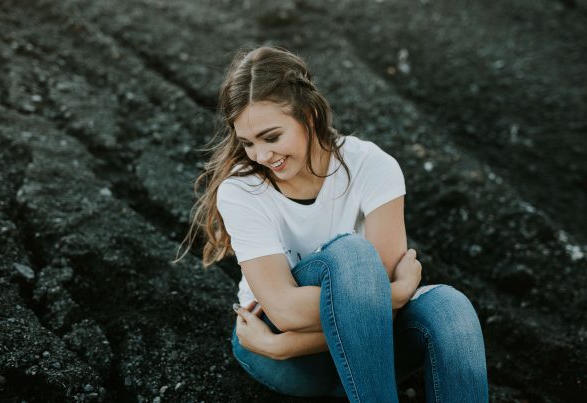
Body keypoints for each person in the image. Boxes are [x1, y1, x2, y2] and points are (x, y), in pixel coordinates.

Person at [177, 45, 488, 402]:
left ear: (309, 116)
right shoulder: (240, 190)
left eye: (272, 137)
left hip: (354, 347)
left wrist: (291, 343)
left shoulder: (371, 165)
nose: (262, 156)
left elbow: (381, 304)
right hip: (283, 354)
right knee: (352, 254)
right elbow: (285, 310)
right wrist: (392, 295)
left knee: (450, 308)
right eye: (248, 143)